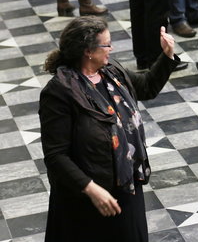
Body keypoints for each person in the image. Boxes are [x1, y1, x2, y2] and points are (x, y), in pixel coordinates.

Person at [39, 16, 181, 242]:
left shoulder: (111, 71)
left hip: (124, 185)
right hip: (87, 197)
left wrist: (166, 55)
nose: (111, 49)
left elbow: (147, 87)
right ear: (88, 50)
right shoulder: (60, 92)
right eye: (106, 44)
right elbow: (56, 155)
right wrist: (91, 188)